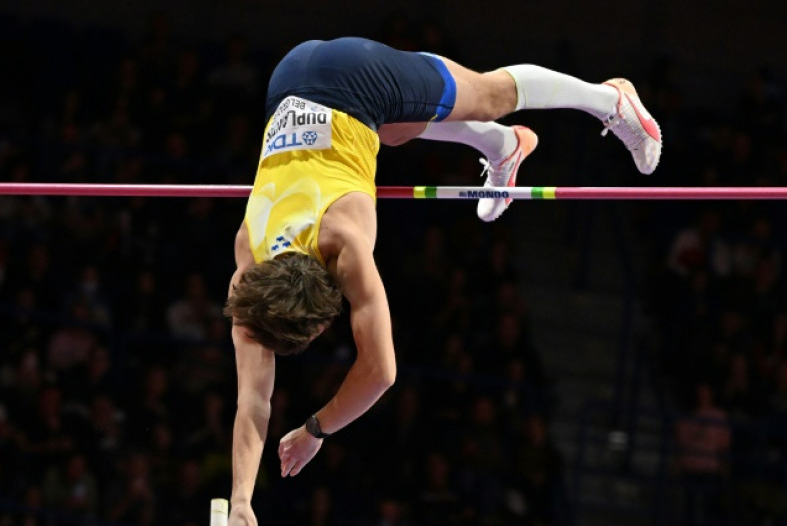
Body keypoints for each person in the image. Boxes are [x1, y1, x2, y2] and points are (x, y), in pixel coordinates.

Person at [224, 36, 661, 525]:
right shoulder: (250, 265)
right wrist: (241, 500)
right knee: (396, 129)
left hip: (357, 78)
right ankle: (503, 146)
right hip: (290, 78)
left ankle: (610, 99)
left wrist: (316, 430)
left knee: (489, 95)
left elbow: (381, 372)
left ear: (325, 314)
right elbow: (253, 400)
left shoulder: (345, 240)